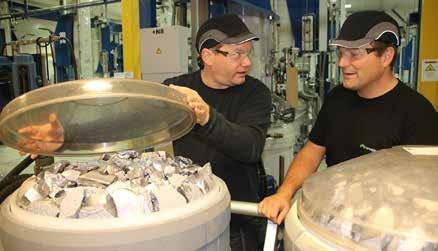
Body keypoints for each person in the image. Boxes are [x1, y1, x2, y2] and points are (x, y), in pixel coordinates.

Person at [258, 10, 438, 225]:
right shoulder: (337, 99)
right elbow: (312, 152)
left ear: (387, 56)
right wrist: (284, 193)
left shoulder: (418, 113)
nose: (342, 63)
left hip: (381, 231)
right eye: (341, 53)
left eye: (354, 54)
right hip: (333, 219)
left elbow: (424, 193)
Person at [162, 14, 272, 250]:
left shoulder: (255, 94)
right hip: (188, 216)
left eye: (248, 53)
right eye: (237, 54)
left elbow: (251, 147)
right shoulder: (178, 88)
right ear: (208, 56)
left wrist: (207, 118)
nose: (247, 63)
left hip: (237, 221)